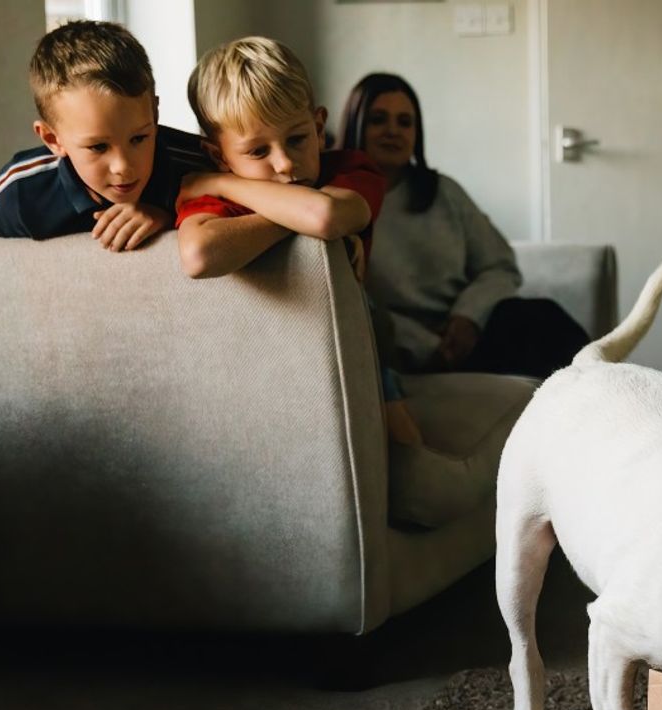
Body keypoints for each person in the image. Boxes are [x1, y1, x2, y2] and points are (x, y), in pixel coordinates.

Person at [175, 36, 424, 447]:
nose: (285, 163)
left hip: (354, 353)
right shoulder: (211, 202)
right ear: (218, 154)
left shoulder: (350, 170)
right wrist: (298, 216)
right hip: (256, 369)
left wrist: (225, 183)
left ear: (319, 127)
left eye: (297, 139)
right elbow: (199, 254)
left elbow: (325, 215)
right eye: (257, 151)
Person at [341, 72, 589, 379]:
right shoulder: (339, 207)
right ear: (356, 125)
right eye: (378, 119)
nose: (393, 131)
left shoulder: (445, 192)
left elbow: (500, 266)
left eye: (405, 122)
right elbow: (355, 305)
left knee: (541, 319)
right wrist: (429, 347)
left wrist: (468, 317)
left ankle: (611, 401)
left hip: (471, 334)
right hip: (399, 349)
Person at [0, 19, 209, 247]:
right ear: (52, 139)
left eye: (138, 138)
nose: (122, 167)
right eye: (98, 147)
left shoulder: (197, 164)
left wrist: (171, 217)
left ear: (155, 116)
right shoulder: (22, 192)